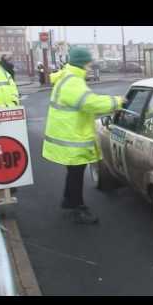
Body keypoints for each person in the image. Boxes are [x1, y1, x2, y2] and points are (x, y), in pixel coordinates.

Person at [42, 47, 125, 225]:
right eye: (88, 63)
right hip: (71, 137)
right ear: (82, 63)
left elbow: (88, 99)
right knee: (76, 174)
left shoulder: (67, 77)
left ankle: (69, 201)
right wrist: (116, 102)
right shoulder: (73, 81)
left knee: (74, 172)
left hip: (67, 134)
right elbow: (90, 103)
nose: (90, 67)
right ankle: (77, 208)